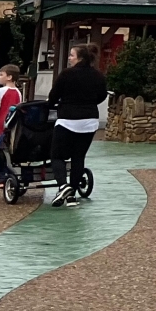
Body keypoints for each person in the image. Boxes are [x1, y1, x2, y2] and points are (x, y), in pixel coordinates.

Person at [46, 43, 107, 208]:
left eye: (71, 55)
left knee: (57, 156)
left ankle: (63, 186)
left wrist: (52, 105)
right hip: (90, 121)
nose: (69, 58)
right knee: (78, 157)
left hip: (68, 119)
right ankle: (72, 195)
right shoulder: (98, 75)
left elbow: (53, 96)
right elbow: (102, 96)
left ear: (79, 58)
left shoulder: (66, 74)